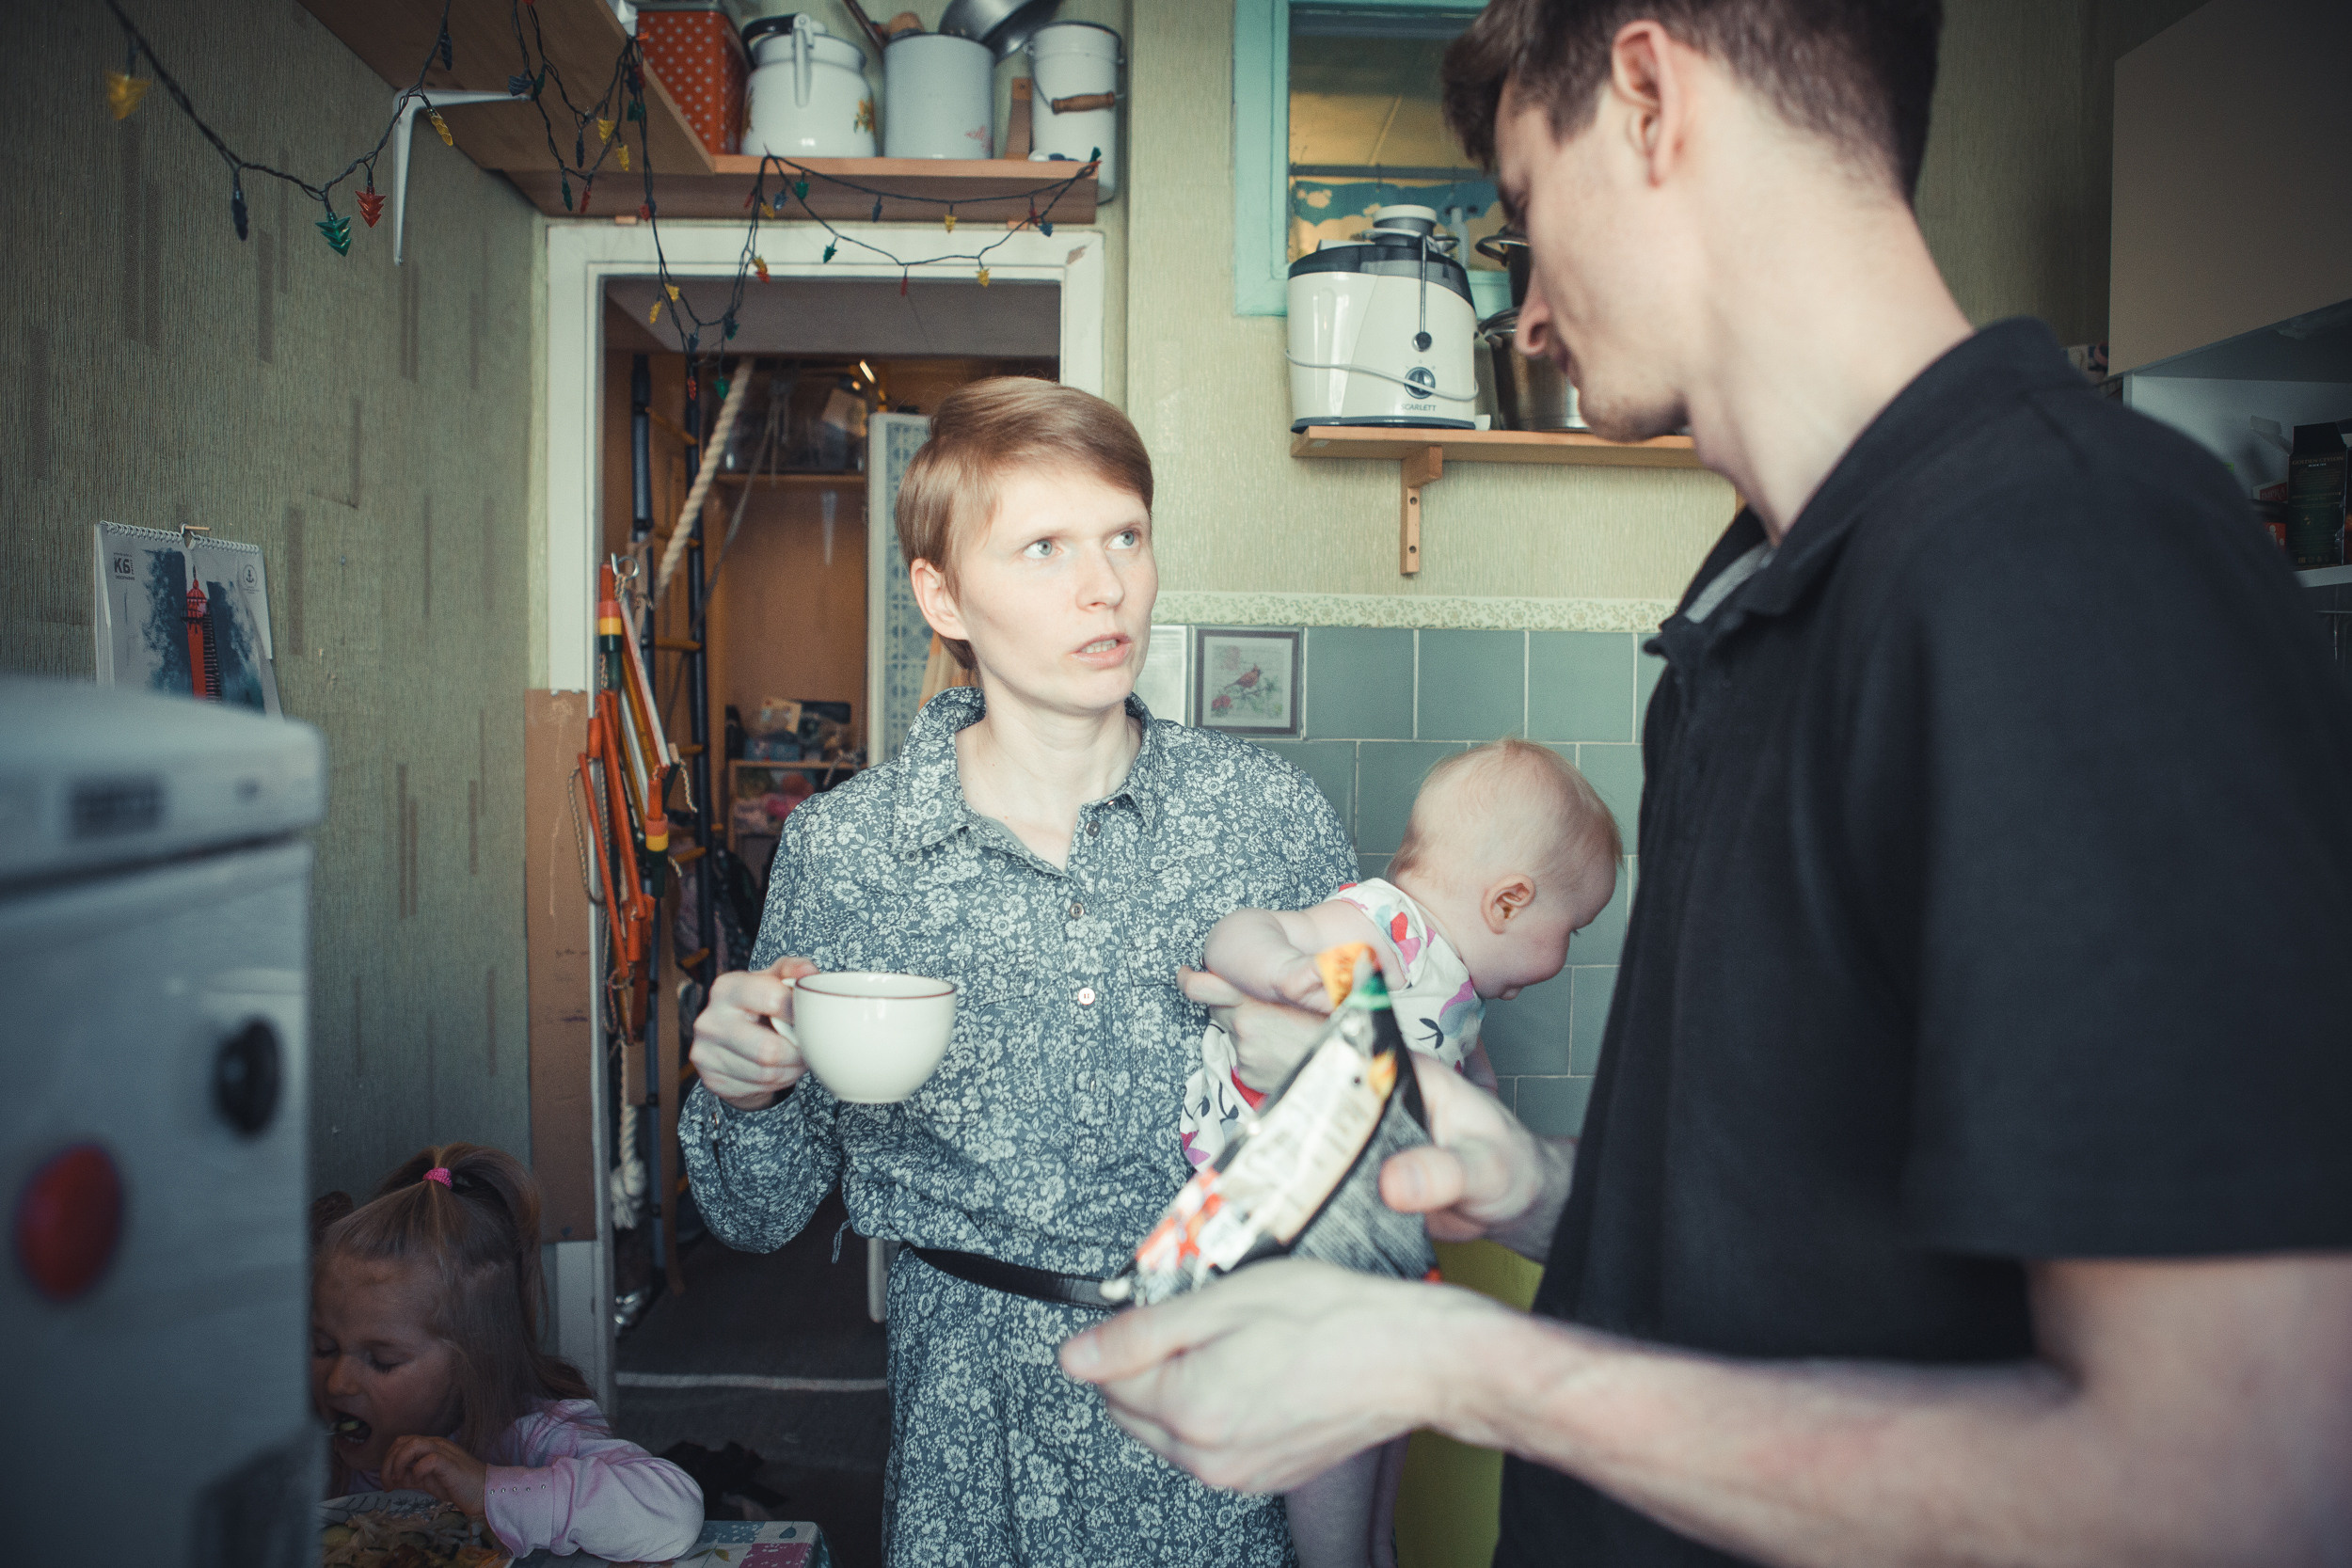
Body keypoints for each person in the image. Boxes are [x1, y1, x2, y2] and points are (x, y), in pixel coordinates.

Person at [1059, 3, 2352, 1564]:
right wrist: (1531, 1182)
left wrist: (1456, 1364)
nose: (1526, 315)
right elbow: (1812, 1235)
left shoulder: (2070, 569)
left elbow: (2229, 1484)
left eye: (1527, 214)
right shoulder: (1754, 612)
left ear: (1651, 96)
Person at [682, 377, 1358, 1565]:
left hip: (1219, 1402)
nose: (1105, 587)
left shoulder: (1268, 821)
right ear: (940, 593)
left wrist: (1344, 1070)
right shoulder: (850, 851)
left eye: (1125, 538)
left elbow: (1381, 1139)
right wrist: (746, 1090)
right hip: (965, 1431)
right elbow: (754, 1213)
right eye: (1043, 547)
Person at [1183, 738, 1621, 1568]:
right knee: (1343, 1423)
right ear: (1509, 900)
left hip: (1362, 1240)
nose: (1564, 955)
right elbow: (1237, 931)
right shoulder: (1389, 930)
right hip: (1295, 1232)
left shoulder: (1450, 985)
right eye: (1570, 927)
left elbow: (1466, 1092)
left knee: (1383, 1423)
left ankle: (1374, 1548)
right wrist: (1284, 968)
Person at [311, 1144, 704, 1560]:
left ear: (471, 1365)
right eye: (323, 1348)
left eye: (382, 1361)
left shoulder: (528, 1437)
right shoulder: (310, 1445)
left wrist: (488, 1490)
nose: (338, 1381)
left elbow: (673, 1511)